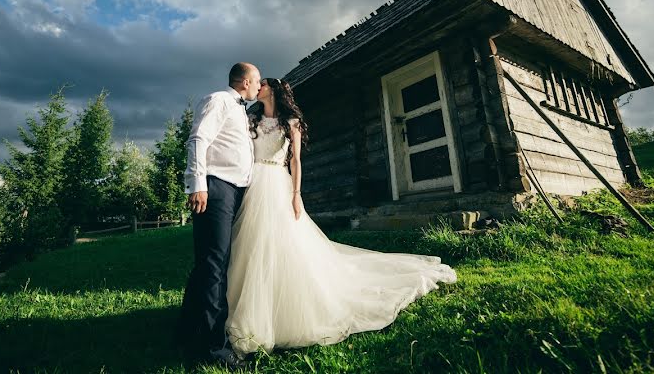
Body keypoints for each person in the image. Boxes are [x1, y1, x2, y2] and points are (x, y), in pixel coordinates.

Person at [224, 77, 457, 355]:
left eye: (262, 84)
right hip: (253, 184)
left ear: (273, 90)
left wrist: (296, 194)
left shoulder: (291, 123)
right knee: (251, 243)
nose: (257, 88)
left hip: (277, 183)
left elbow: (296, 160)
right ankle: (245, 306)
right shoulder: (251, 121)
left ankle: (286, 308)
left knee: (283, 241)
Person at [175, 62, 261, 370]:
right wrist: (197, 184)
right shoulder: (218, 100)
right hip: (216, 187)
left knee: (209, 264)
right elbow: (198, 139)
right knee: (214, 266)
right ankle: (214, 349)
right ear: (245, 81)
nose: (259, 86)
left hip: (235, 190)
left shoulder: (241, 111)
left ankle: (186, 331)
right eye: (257, 81)